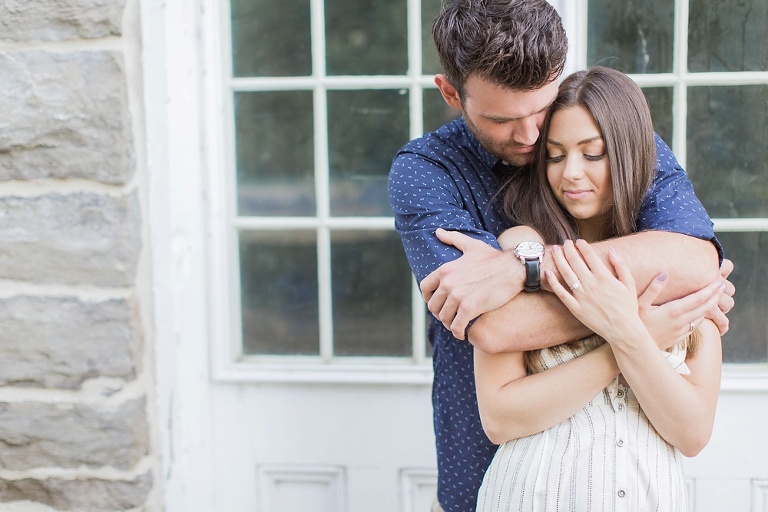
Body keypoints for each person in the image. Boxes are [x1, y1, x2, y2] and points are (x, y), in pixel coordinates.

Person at [387, 1, 735, 510]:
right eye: (503, 118)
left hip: (634, 480)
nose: (530, 137)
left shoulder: (613, 136)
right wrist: (636, 321)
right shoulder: (426, 173)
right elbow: (495, 327)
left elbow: (696, 265)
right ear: (450, 93)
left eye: (539, 110)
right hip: (488, 469)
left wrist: (523, 268)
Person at [473, 66, 722, 511]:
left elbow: (692, 433)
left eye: (593, 154)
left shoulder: (680, 269)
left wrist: (628, 333)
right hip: (533, 497)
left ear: (629, 155)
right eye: (554, 155)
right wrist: (630, 337)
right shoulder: (522, 250)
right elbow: (499, 418)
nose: (570, 173)